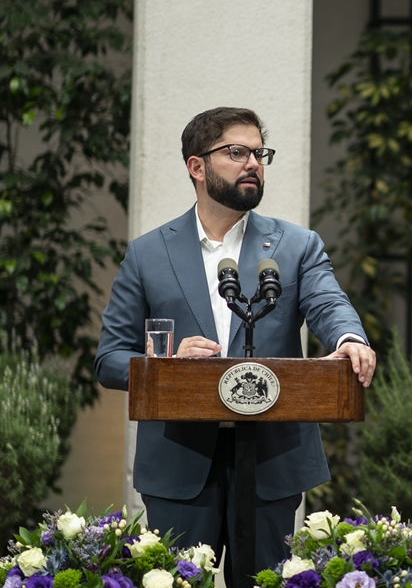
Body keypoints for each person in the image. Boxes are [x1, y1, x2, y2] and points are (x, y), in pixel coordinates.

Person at [95, 107, 377, 572]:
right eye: (236, 152)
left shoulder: (296, 246)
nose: (253, 164)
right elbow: (109, 358)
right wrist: (166, 364)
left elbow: (329, 304)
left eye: (259, 154)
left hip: (270, 457)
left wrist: (349, 337)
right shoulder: (148, 253)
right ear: (197, 166)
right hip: (179, 461)